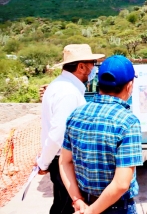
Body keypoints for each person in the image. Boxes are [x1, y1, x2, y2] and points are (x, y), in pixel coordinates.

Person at [59, 55, 143, 214]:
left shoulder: (76, 113)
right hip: (118, 208)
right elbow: (121, 184)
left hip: (85, 202)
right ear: (129, 86)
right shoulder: (128, 121)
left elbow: (64, 161)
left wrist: (77, 200)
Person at [36, 44, 105, 214]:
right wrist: (43, 162)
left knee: (61, 206)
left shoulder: (61, 86)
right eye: (92, 64)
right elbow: (57, 135)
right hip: (65, 162)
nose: (93, 69)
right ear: (81, 66)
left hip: (62, 161)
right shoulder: (68, 92)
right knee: (67, 208)